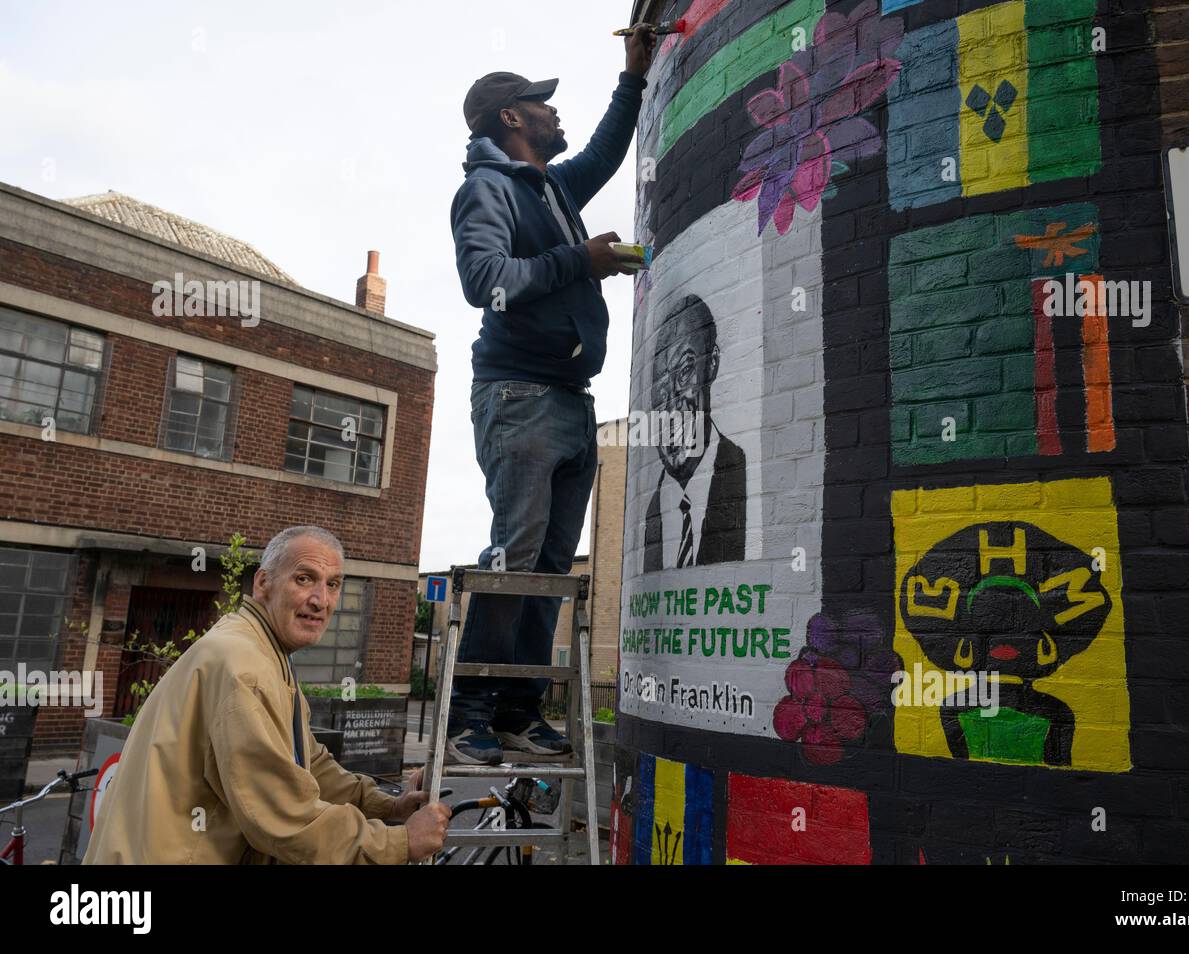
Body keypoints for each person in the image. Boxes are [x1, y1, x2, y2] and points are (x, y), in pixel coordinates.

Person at [445, 25, 657, 765]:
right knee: (516, 557)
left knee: (552, 567)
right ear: (512, 118)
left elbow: (603, 149)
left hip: (571, 398)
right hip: (519, 396)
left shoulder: (554, 186)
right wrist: (583, 260)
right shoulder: (488, 189)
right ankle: (468, 715)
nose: (553, 114)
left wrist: (631, 78)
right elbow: (486, 281)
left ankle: (518, 713)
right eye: (542, 104)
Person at [84, 526, 451, 864]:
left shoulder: (260, 649)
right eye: (304, 579)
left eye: (334, 584)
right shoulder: (246, 666)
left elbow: (306, 761)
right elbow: (284, 819)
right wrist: (401, 842)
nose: (321, 600)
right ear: (263, 584)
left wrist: (388, 806)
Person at [642, 294, 747, 572]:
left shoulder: (744, 474)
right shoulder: (652, 512)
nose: (672, 405)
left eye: (685, 371)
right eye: (660, 389)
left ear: (711, 364)